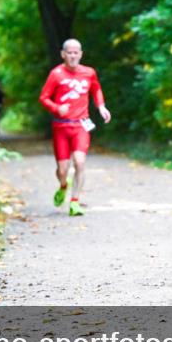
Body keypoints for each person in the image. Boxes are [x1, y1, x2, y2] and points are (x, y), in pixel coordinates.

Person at [38, 39, 112, 216]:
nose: (73, 56)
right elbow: (43, 97)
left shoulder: (89, 73)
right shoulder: (56, 74)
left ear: (81, 54)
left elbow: (96, 89)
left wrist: (101, 106)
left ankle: (75, 202)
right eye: (69, 53)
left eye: (76, 52)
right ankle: (63, 185)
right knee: (62, 170)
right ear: (63, 54)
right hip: (61, 127)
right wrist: (57, 108)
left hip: (81, 125)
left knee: (80, 162)